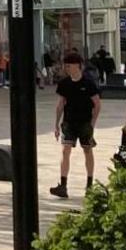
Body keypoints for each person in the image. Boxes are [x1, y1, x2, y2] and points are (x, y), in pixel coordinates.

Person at [49, 52, 101, 199]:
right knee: (65, 151)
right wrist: (56, 124)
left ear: (78, 66)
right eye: (66, 65)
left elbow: (97, 104)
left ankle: (89, 185)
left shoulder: (88, 83)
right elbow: (60, 105)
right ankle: (63, 185)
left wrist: (92, 123)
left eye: (70, 65)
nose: (67, 68)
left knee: (87, 151)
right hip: (69, 123)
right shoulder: (64, 83)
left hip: (85, 122)